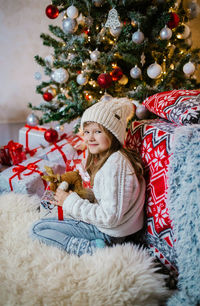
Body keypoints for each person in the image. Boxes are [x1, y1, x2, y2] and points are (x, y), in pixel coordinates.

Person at [30, 98, 146, 256]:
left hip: (108, 233)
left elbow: (110, 217)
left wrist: (70, 202)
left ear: (113, 134)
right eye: (87, 132)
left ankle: (89, 249)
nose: (90, 138)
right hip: (110, 230)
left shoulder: (116, 165)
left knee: (38, 229)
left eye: (98, 132)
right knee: (48, 216)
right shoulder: (109, 158)